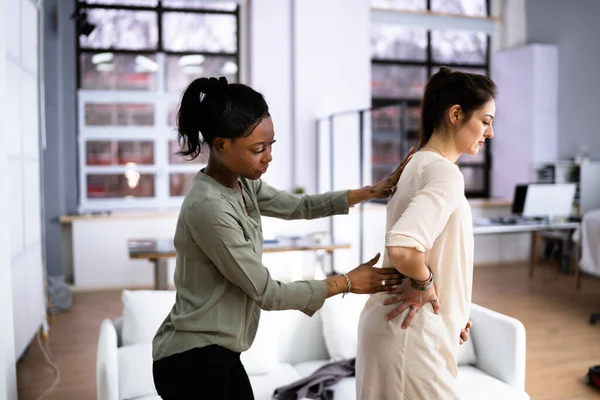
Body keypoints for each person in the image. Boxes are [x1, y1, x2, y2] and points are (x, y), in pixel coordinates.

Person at [151, 76, 414, 400]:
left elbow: (299, 206)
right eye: (258, 149)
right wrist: (346, 282)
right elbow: (267, 292)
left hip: (217, 352)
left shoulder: (241, 184)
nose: (268, 157)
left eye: (270, 145)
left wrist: (369, 192)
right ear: (221, 145)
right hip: (190, 361)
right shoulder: (209, 209)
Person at [355, 66, 496, 399]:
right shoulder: (444, 173)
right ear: (456, 114)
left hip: (400, 329)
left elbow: (434, 250)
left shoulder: (417, 164)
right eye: (486, 121)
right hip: (410, 335)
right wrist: (426, 286)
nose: (489, 133)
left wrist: (454, 309)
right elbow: (404, 247)